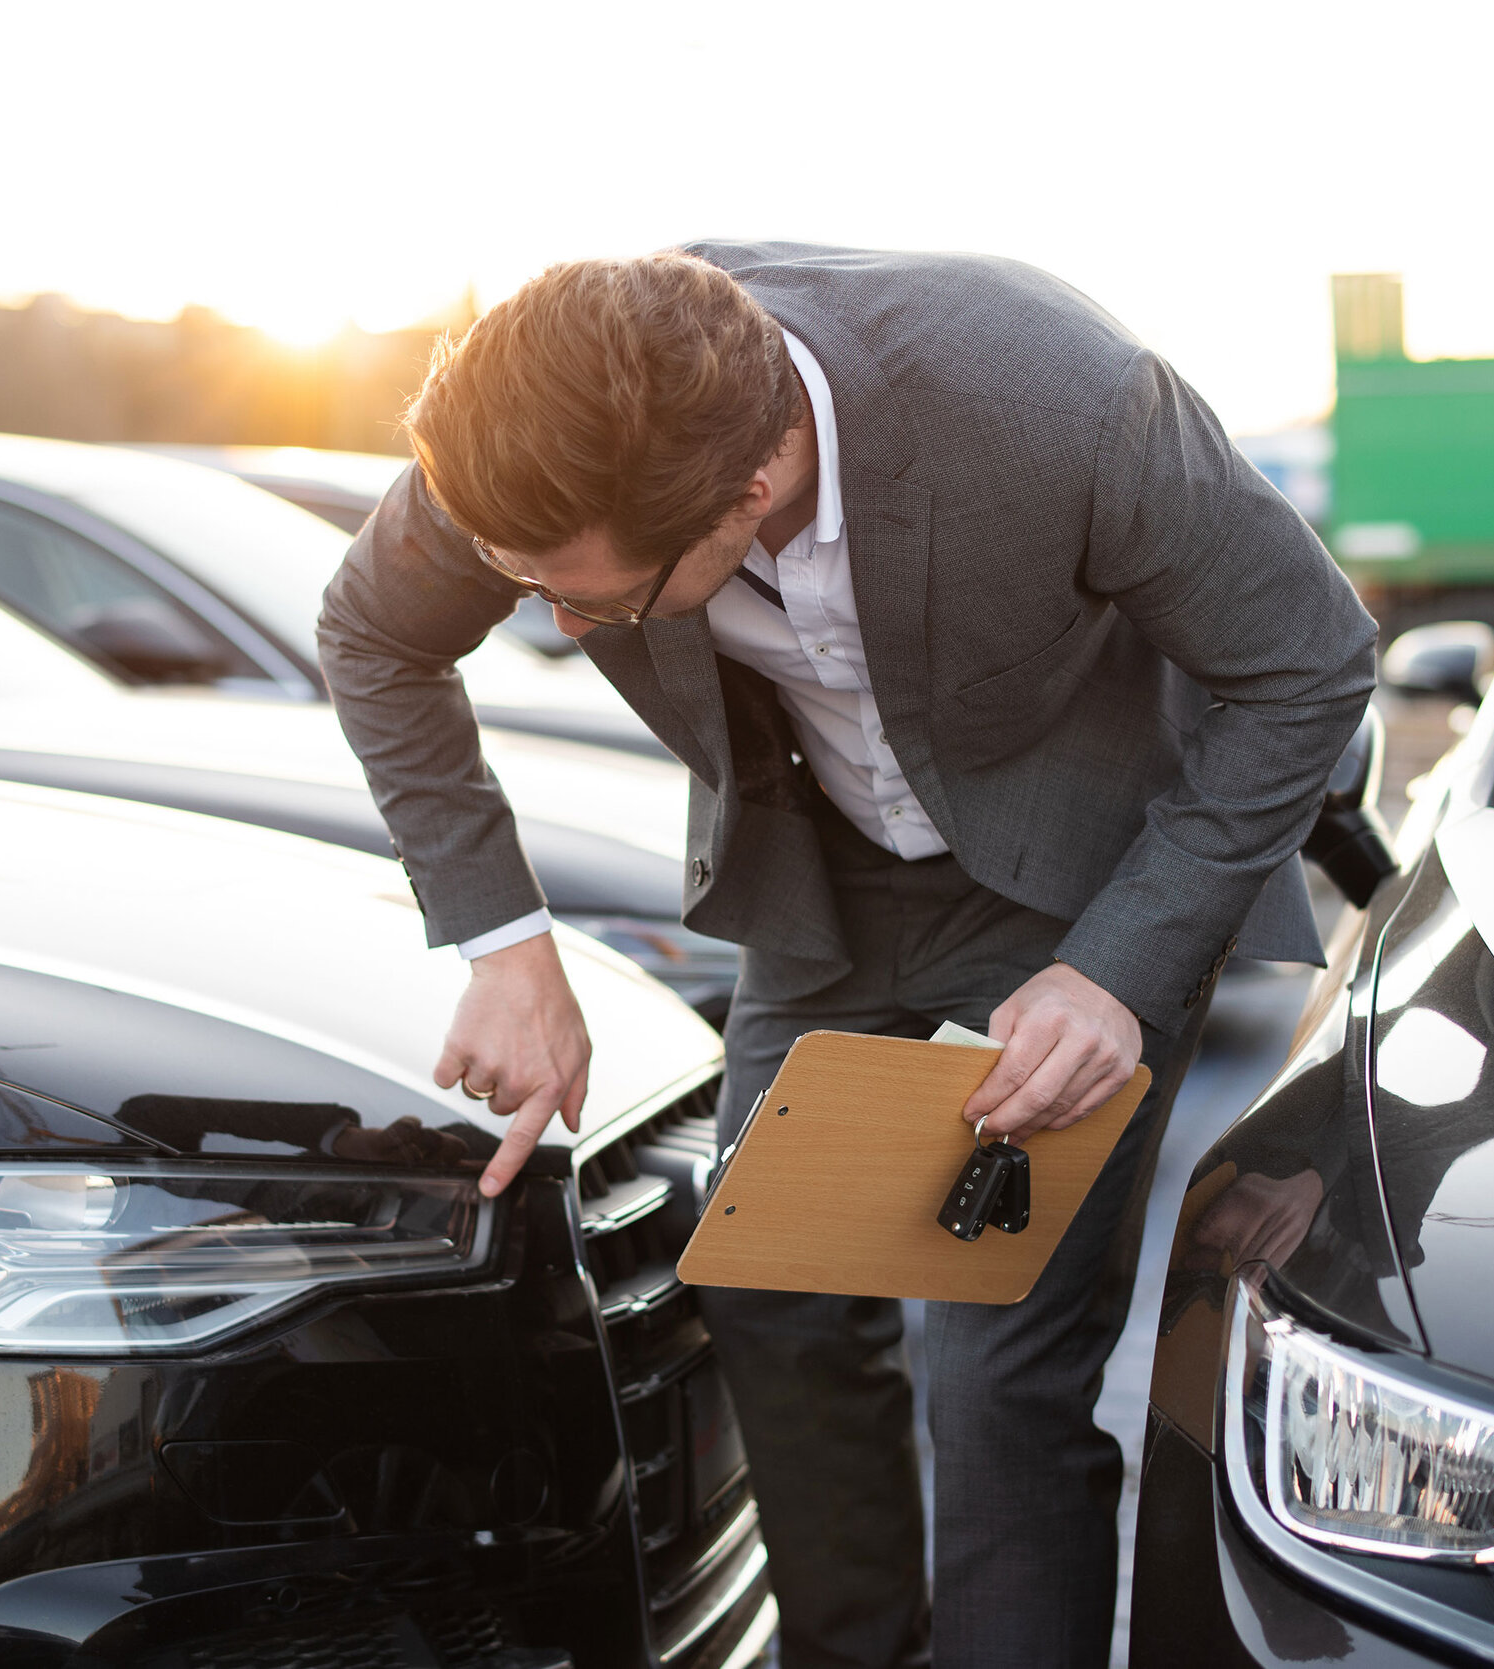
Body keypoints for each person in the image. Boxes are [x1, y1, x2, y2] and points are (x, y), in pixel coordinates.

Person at [316, 244, 1375, 1669]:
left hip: (1073, 892)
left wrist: (1121, 970)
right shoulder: (540, 443)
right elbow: (373, 632)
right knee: (769, 1281)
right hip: (820, 886)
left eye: (598, 605)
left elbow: (1307, 656)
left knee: (998, 1370)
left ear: (748, 492)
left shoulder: (1061, 402)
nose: (558, 627)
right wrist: (507, 945)